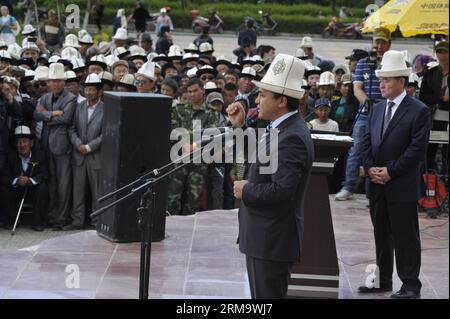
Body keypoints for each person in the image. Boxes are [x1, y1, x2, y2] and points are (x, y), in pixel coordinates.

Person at [227, 54, 314, 298]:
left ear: (282, 100)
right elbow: (262, 159)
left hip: (271, 239)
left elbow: (282, 190)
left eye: (263, 95)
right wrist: (240, 127)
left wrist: (246, 190)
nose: (257, 99)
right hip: (263, 236)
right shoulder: (280, 127)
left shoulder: (293, 136)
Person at [360, 50, 431, 299]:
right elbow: (366, 142)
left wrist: (391, 171)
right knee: (381, 233)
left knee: (405, 236)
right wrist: (370, 169)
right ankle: (382, 280)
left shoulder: (418, 111)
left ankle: (411, 285)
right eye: (380, 79)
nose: (381, 84)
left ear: (402, 81)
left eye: (387, 79)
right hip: (377, 183)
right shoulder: (377, 108)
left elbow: (416, 149)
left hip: (400, 183)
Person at [335, 27, 391, 201]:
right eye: (377, 42)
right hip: (366, 112)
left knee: (382, 151)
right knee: (356, 149)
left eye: (383, 42)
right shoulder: (363, 63)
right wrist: (368, 103)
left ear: (389, 44)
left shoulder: (392, 63)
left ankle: (376, 188)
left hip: (387, 114)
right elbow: (357, 89)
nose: (379, 46)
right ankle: (349, 186)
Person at [33, 63, 77, 230]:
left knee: (63, 184)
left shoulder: (71, 98)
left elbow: (66, 119)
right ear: (49, 82)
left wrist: (48, 117)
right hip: (46, 146)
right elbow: (36, 115)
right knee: (51, 183)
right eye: (53, 81)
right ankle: (52, 216)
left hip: (63, 147)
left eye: (59, 81)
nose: (56, 84)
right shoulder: (44, 97)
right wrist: (53, 114)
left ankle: (61, 218)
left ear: (63, 82)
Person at [166, 78, 218, 215]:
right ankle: (171, 226)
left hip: (198, 162)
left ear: (203, 91)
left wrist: (194, 145)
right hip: (179, 159)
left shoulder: (211, 112)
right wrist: (184, 144)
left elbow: (210, 135)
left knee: (193, 199)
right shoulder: (178, 109)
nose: (192, 94)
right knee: (172, 198)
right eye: (189, 92)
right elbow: (173, 130)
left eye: (195, 91)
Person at [65, 74, 104, 230]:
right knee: (78, 190)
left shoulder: (106, 109)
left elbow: (105, 134)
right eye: (86, 89)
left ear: (99, 92)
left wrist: (89, 147)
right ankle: (77, 221)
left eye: (92, 90)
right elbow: (71, 128)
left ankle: (97, 221)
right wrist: (78, 144)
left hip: (95, 155)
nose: (88, 93)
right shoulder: (79, 106)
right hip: (79, 154)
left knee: (97, 191)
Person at [0, 125, 49, 231]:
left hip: (33, 190)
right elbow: (4, 177)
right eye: (18, 142)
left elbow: (45, 174)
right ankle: (10, 221)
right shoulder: (11, 157)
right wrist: (16, 180)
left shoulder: (39, 155)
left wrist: (30, 180)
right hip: (16, 191)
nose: (21, 145)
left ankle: (38, 222)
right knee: (4, 189)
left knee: (43, 188)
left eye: (24, 141)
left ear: (31, 143)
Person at [419, 40, 449, 172]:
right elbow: (423, 97)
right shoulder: (430, 73)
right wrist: (441, 98)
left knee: (447, 153)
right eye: (439, 52)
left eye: (445, 52)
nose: (442, 55)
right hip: (433, 116)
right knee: (430, 148)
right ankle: (429, 177)